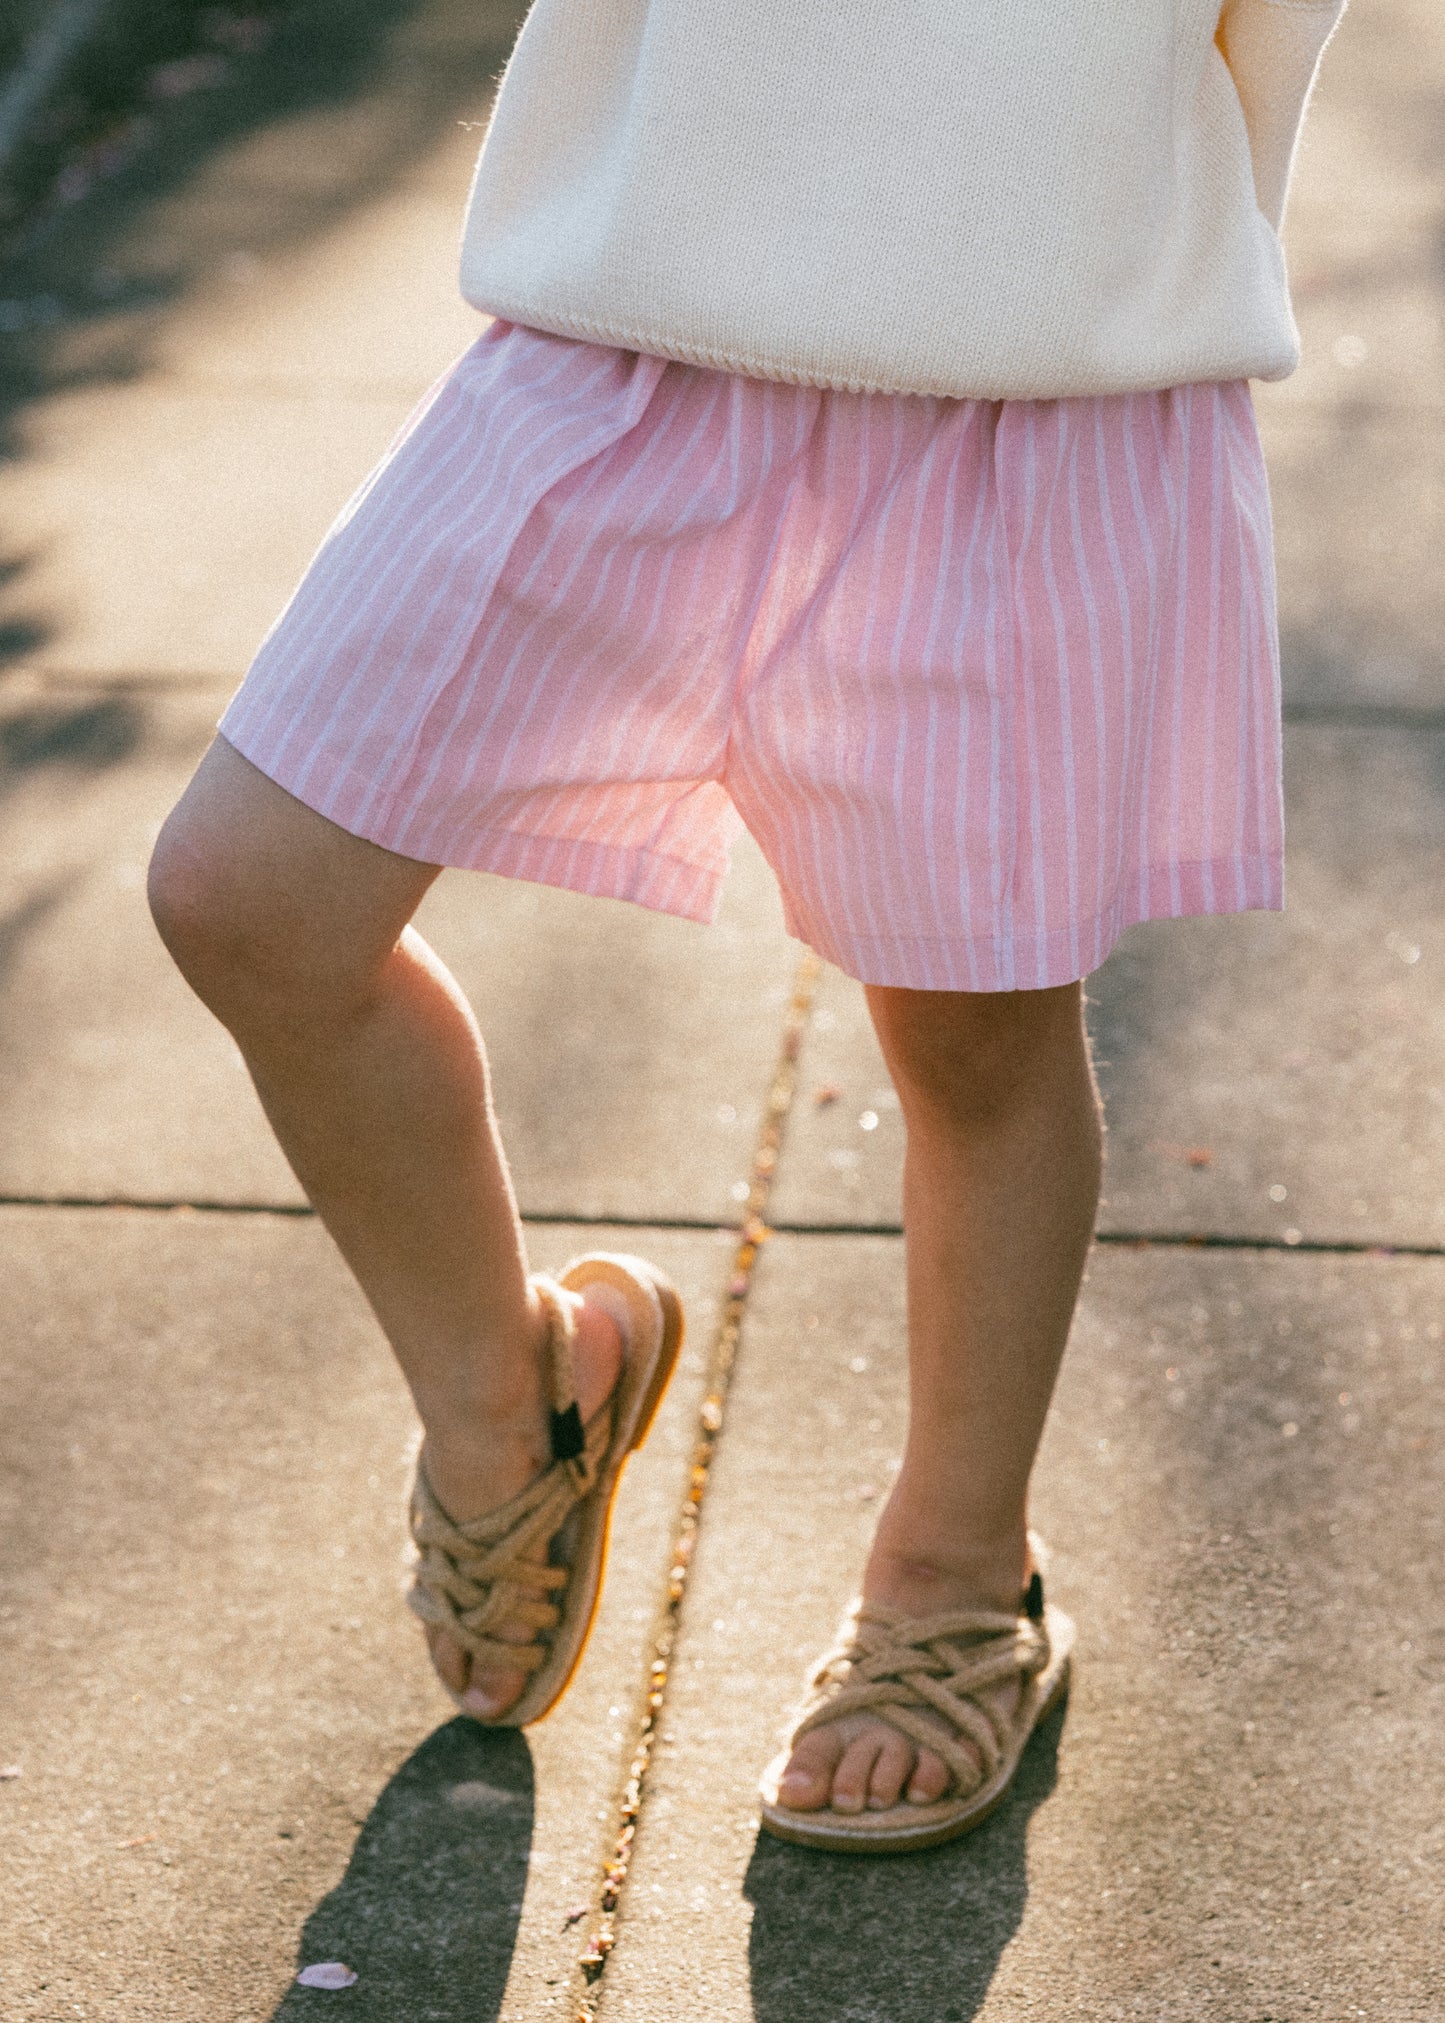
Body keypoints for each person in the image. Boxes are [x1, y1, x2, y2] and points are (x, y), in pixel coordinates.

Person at [147, 0, 1348, 1852]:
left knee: (970, 1025)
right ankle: (508, 1395)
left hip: (1027, 372)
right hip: (627, 317)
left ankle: (955, 1583)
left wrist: (1116, 239)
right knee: (252, 898)